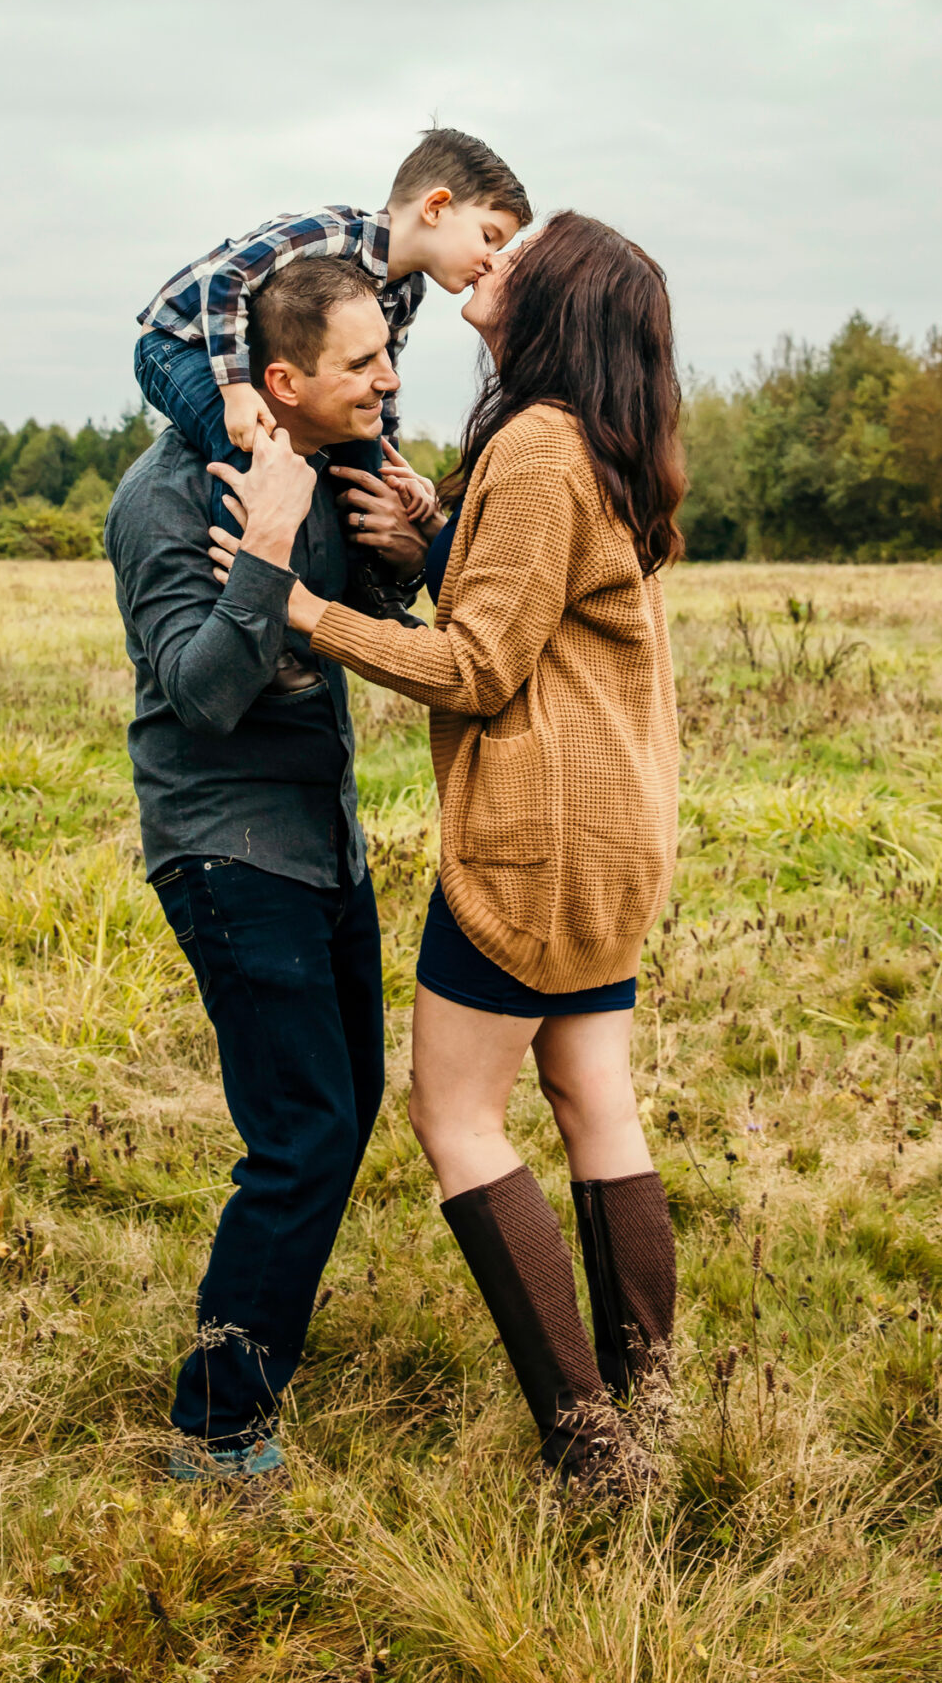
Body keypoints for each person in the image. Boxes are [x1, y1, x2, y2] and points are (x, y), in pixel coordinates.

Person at [212, 214, 684, 1495]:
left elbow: (480, 664)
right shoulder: (595, 442)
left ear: (556, 309)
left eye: (524, 262)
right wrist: (435, 541)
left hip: (534, 838)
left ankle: (589, 1450)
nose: (497, 264)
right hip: (616, 827)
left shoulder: (535, 445)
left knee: (455, 1114)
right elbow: (533, 600)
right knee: (595, 1098)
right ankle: (655, 1411)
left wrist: (304, 608)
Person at [104, 255, 433, 1491]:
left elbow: (364, 616)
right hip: (227, 846)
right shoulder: (165, 496)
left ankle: (255, 1353)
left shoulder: (338, 467)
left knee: (339, 1116)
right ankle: (215, 1429)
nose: (390, 380)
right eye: (364, 363)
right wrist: (272, 549)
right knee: (300, 1135)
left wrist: (397, 550)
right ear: (281, 380)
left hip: (323, 842)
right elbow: (197, 696)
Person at [132, 126, 530, 615]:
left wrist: (386, 465)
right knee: (245, 446)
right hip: (181, 346)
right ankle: (243, 603)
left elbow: (382, 384)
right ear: (435, 207)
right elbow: (227, 278)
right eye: (488, 236)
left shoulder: (407, 291)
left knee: (362, 469)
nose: (491, 260)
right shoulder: (333, 233)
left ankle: (373, 593)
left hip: (268, 368)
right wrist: (236, 390)